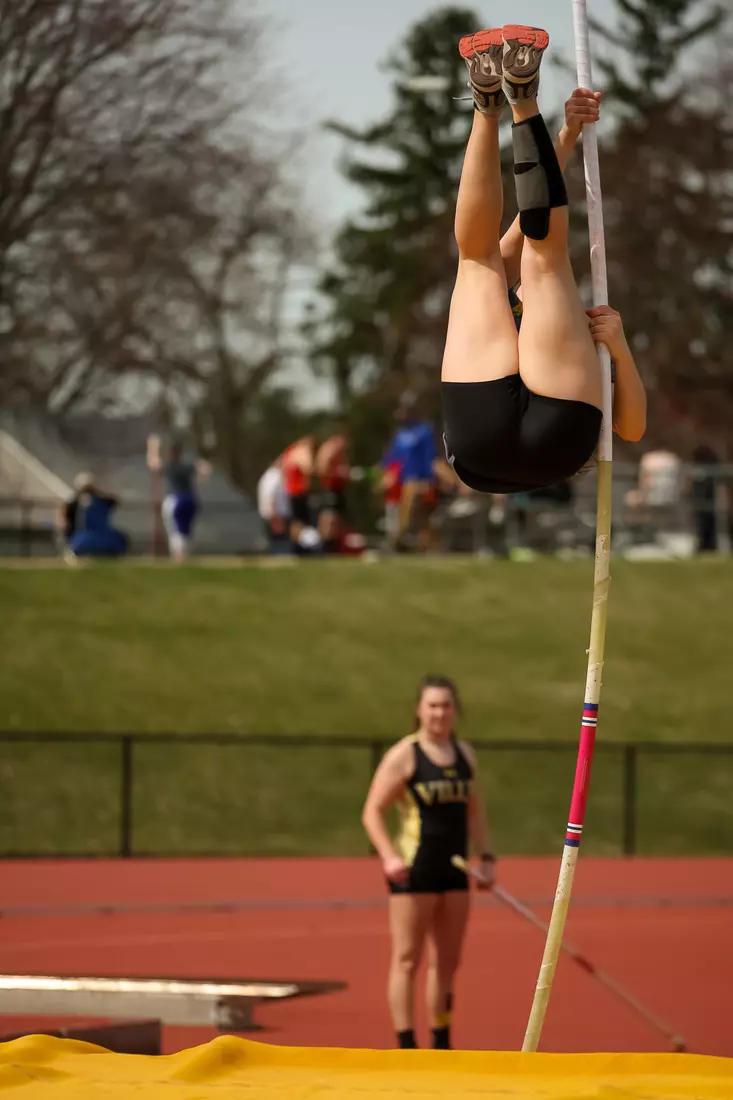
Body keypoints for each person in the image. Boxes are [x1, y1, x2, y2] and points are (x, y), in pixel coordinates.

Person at [442, 26, 647, 497]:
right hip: (526, 445)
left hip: (512, 440)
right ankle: (494, 101)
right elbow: (631, 428)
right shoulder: (529, 310)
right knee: (502, 262)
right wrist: (619, 350)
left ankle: (503, 102)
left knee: (504, 262)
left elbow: (529, 230)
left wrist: (567, 135)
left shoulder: (507, 302)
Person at [362, 675, 494, 1051]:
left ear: (456, 710)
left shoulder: (465, 754)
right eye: (432, 705)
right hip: (413, 870)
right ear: (419, 710)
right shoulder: (405, 755)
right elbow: (372, 811)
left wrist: (485, 857)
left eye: (446, 705)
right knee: (407, 959)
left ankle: (441, 1040)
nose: (440, 713)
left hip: (454, 871)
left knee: (448, 962)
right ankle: (406, 1044)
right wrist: (388, 856)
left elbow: (474, 812)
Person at [380, 399, 438, 551]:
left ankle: (405, 543)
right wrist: (384, 474)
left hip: (418, 479)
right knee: (404, 514)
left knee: (418, 515)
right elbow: (391, 458)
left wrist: (429, 480)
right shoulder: (400, 435)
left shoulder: (424, 431)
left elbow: (429, 457)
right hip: (401, 480)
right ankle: (401, 543)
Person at [147, 436, 210, 562]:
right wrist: (200, 481)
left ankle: (178, 557)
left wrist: (152, 447)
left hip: (175, 499)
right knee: (185, 531)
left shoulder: (169, 466)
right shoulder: (187, 466)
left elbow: (153, 464)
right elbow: (205, 467)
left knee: (175, 529)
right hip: (190, 499)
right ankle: (184, 555)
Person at [58, 473, 128, 560]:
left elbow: (114, 501)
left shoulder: (96, 500)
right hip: (90, 535)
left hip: (88, 537)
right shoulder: (77, 502)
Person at [315, 429, 350, 553]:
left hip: (337, 488)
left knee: (337, 519)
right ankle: (326, 547)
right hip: (330, 488)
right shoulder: (331, 448)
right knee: (330, 518)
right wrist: (338, 474)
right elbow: (322, 468)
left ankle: (334, 546)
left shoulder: (337, 451)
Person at [256, 458, 291, 554]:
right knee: (278, 539)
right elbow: (270, 495)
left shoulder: (270, 476)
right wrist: (274, 514)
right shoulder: (274, 476)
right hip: (276, 515)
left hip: (274, 515)